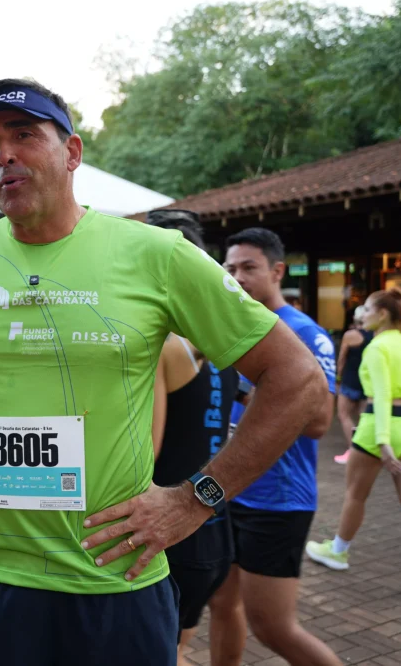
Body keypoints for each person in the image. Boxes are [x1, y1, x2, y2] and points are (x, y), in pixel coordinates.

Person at [0, 78, 331, 665]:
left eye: (24, 135)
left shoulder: (156, 254)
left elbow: (297, 379)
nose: (2, 154)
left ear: (73, 153)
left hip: (114, 582)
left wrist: (196, 499)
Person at [212, 228, 340, 666]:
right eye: (230, 268)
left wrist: (245, 391)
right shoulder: (232, 327)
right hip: (229, 490)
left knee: (273, 628)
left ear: (277, 271)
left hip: (278, 501)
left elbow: (320, 422)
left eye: (249, 267)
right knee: (221, 604)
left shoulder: (307, 334)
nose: (237, 277)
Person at [305, 289, 401, 599]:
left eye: (369, 309)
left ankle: (337, 551)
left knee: (356, 495)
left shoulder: (376, 347)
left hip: (378, 427)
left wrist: (384, 441)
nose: (363, 314)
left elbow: (382, 395)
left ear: (384, 314)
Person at [147, 210, 240, 665]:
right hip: (212, 526)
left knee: (157, 651)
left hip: (171, 528)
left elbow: (146, 451)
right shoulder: (223, 341)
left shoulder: (165, 347)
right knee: (178, 647)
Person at [335, 307, 372, 465]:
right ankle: (367, 450)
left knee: (343, 414)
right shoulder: (375, 336)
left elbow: (342, 359)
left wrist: (337, 378)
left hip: (350, 380)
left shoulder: (350, 336)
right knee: (364, 416)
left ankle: (353, 449)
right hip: (367, 381)